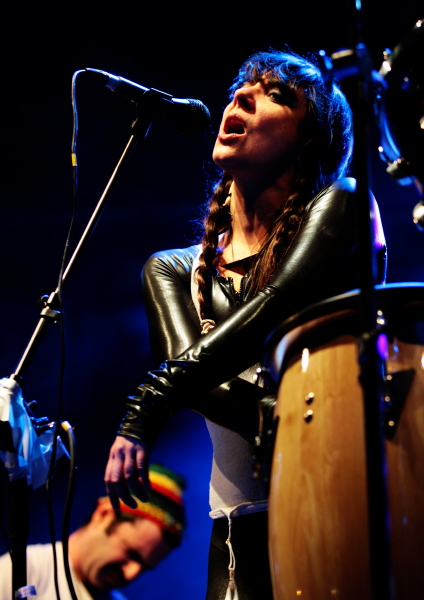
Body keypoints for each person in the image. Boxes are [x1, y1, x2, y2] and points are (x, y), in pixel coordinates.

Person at [104, 48, 387, 600]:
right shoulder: (173, 269)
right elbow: (193, 379)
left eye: (275, 94)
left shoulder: (344, 205)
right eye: (241, 87)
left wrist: (146, 405)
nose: (242, 96)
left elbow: (276, 306)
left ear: (309, 138)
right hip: (236, 529)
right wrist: (281, 418)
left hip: (339, 498)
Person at [0, 464, 185, 600]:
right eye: (131, 553)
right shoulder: (23, 571)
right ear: (103, 515)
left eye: (145, 568)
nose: (131, 574)